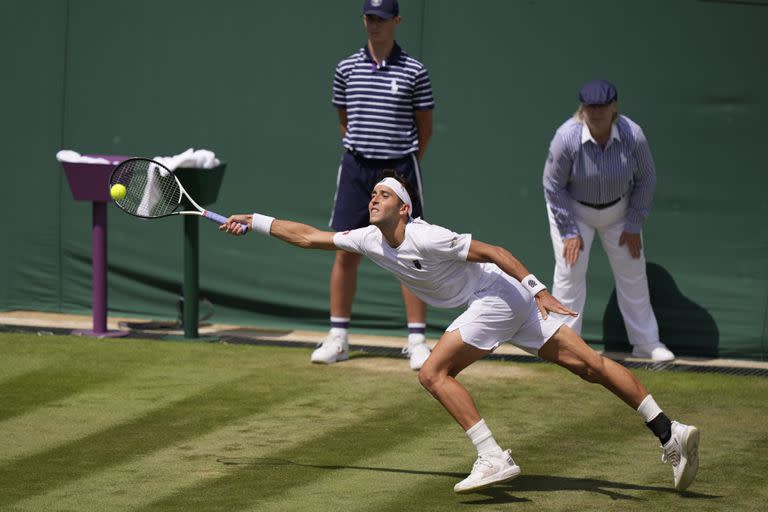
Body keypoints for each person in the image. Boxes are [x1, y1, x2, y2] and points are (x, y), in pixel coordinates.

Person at [220, 172, 700, 494]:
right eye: (372, 195)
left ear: (404, 209)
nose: (373, 199)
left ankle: (492, 455)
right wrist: (256, 221)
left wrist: (538, 291)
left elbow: (496, 251)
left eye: (383, 195)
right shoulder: (368, 238)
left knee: (432, 372)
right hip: (500, 301)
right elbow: (308, 236)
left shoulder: (428, 235)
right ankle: (669, 431)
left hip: (497, 296)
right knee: (588, 365)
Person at [320, 0, 435, 370]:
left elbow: (425, 128)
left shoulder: (415, 70)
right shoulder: (346, 69)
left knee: (411, 250)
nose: (375, 25)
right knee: (345, 249)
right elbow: (344, 119)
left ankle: (417, 341)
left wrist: (401, 167)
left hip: (399, 166)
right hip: (356, 167)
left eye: (382, 19)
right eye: (370, 18)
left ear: (396, 21)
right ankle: (338, 337)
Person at [543, 79, 675, 363]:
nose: (596, 112)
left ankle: (647, 344)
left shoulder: (633, 134)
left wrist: (633, 224)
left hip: (620, 211)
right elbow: (553, 186)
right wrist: (568, 231)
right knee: (570, 271)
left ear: (614, 107)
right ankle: (564, 347)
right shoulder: (566, 137)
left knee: (633, 272)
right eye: (590, 107)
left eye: (602, 106)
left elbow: (647, 179)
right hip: (574, 212)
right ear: (583, 108)